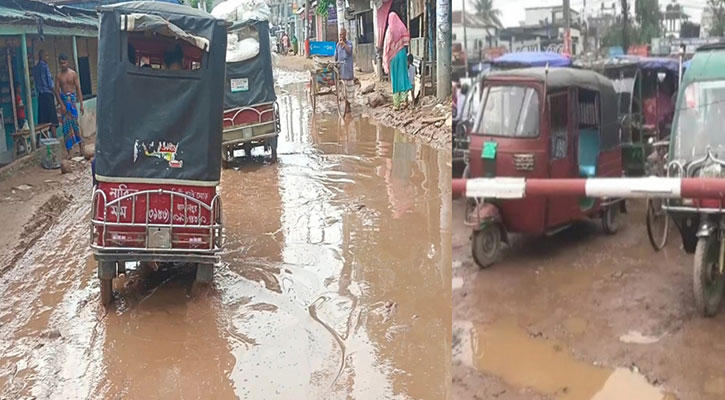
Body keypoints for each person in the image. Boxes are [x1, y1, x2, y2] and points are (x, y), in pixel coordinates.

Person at [55, 53, 85, 158]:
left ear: (67, 62)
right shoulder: (58, 76)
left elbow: (78, 89)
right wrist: (61, 105)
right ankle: (69, 151)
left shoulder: (73, 74)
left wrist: (81, 104)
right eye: (61, 63)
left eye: (64, 63)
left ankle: (81, 147)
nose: (63, 65)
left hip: (72, 102)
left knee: (75, 125)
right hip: (64, 103)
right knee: (66, 127)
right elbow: (57, 91)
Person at [383, 12, 412, 110]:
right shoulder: (401, 27)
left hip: (393, 57)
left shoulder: (389, 31)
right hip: (402, 54)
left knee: (395, 79)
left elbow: (386, 47)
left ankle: (396, 104)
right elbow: (407, 39)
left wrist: (385, 61)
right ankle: (404, 101)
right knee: (403, 77)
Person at [32, 50, 59, 143]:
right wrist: (57, 96)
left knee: (44, 122)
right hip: (48, 95)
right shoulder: (45, 67)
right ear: (42, 56)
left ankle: (47, 142)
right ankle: (55, 142)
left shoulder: (35, 68)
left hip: (41, 96)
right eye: (46, 55)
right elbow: (50, 85)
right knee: (52, 121)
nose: (48, 58)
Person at [334, 27, 354, 115]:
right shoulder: (337, 45)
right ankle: (346, 105)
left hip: (348, 69)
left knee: (350, 89)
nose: (340, 36)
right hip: (341, 70)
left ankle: (349, 104)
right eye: (340, 35)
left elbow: (349, 51)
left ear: (345, 35)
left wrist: (344, 44)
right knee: (343, 89)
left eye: (342, 34)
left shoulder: (349, 43)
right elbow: (336, 56)